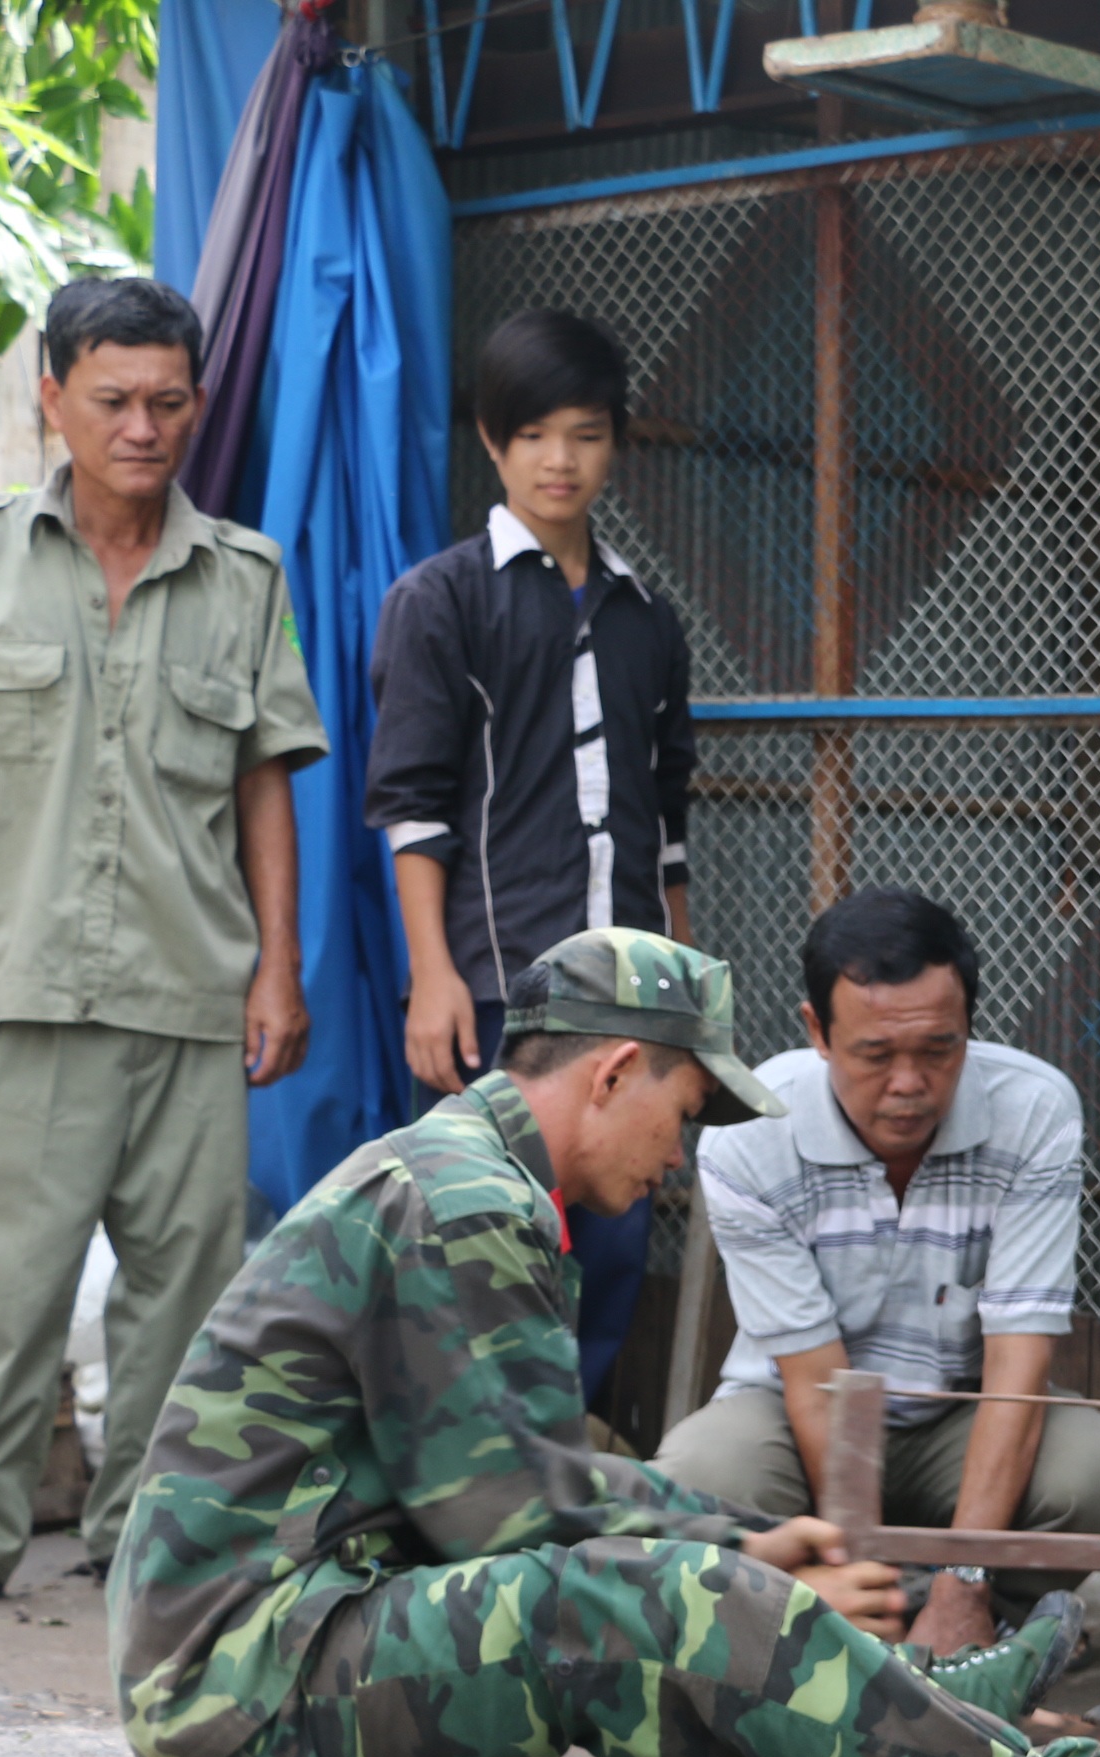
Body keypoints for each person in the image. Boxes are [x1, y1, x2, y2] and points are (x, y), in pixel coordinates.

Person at [112, 928, 1100, 1757]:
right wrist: (736, 1558)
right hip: (248, 1685)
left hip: (267, 1654)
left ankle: (913, 1703)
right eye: (683, 1113)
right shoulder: (472, 1199)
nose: (681, 1155)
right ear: (614, 1071)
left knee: (659, 1620)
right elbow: (510, 1516)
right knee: (642, 1601)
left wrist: (741, 1546)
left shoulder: (462, 1171)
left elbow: (517, 1475)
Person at [0, 277, 329, 1607]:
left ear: (198, 404)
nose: (142, 426)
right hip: (25, 981)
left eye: (168, 400)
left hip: (189, 988)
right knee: (8, 1280)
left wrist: (279, 966)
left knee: (184, 1294)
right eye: (112, 399)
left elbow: (263, 782)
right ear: (52, 395)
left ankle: (145, 1539)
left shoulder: (245, 574)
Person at [652, 888, 1100, 1660]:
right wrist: (859, 1585)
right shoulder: (751, 1136)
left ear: (970, 1029)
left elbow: (1018, 1364)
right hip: (797, 1417)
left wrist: (964, 1583)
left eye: (938, 1049)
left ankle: (978, 1629)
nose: (910, 1083)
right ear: (817, 1031)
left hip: (958, 1413)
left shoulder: (1034, 1112)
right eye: (876, 1054)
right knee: (698, 1476)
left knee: (1099, 1480)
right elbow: (817, 1385)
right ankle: (845, 1617)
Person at [364, 310, 696, 1409]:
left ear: (617, 443)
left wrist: (683, 1003)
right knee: (493, 1239)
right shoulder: (440, 600)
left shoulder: (651, 618)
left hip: (635, 1002)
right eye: (537, 434)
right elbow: (412, 809)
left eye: (588, 434)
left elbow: (672, 826)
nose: (563, 461)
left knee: (611, 1250)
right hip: (507, 987)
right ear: (492, 440)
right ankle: (471, 1486)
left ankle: (569, 1479)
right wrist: (434, 975)